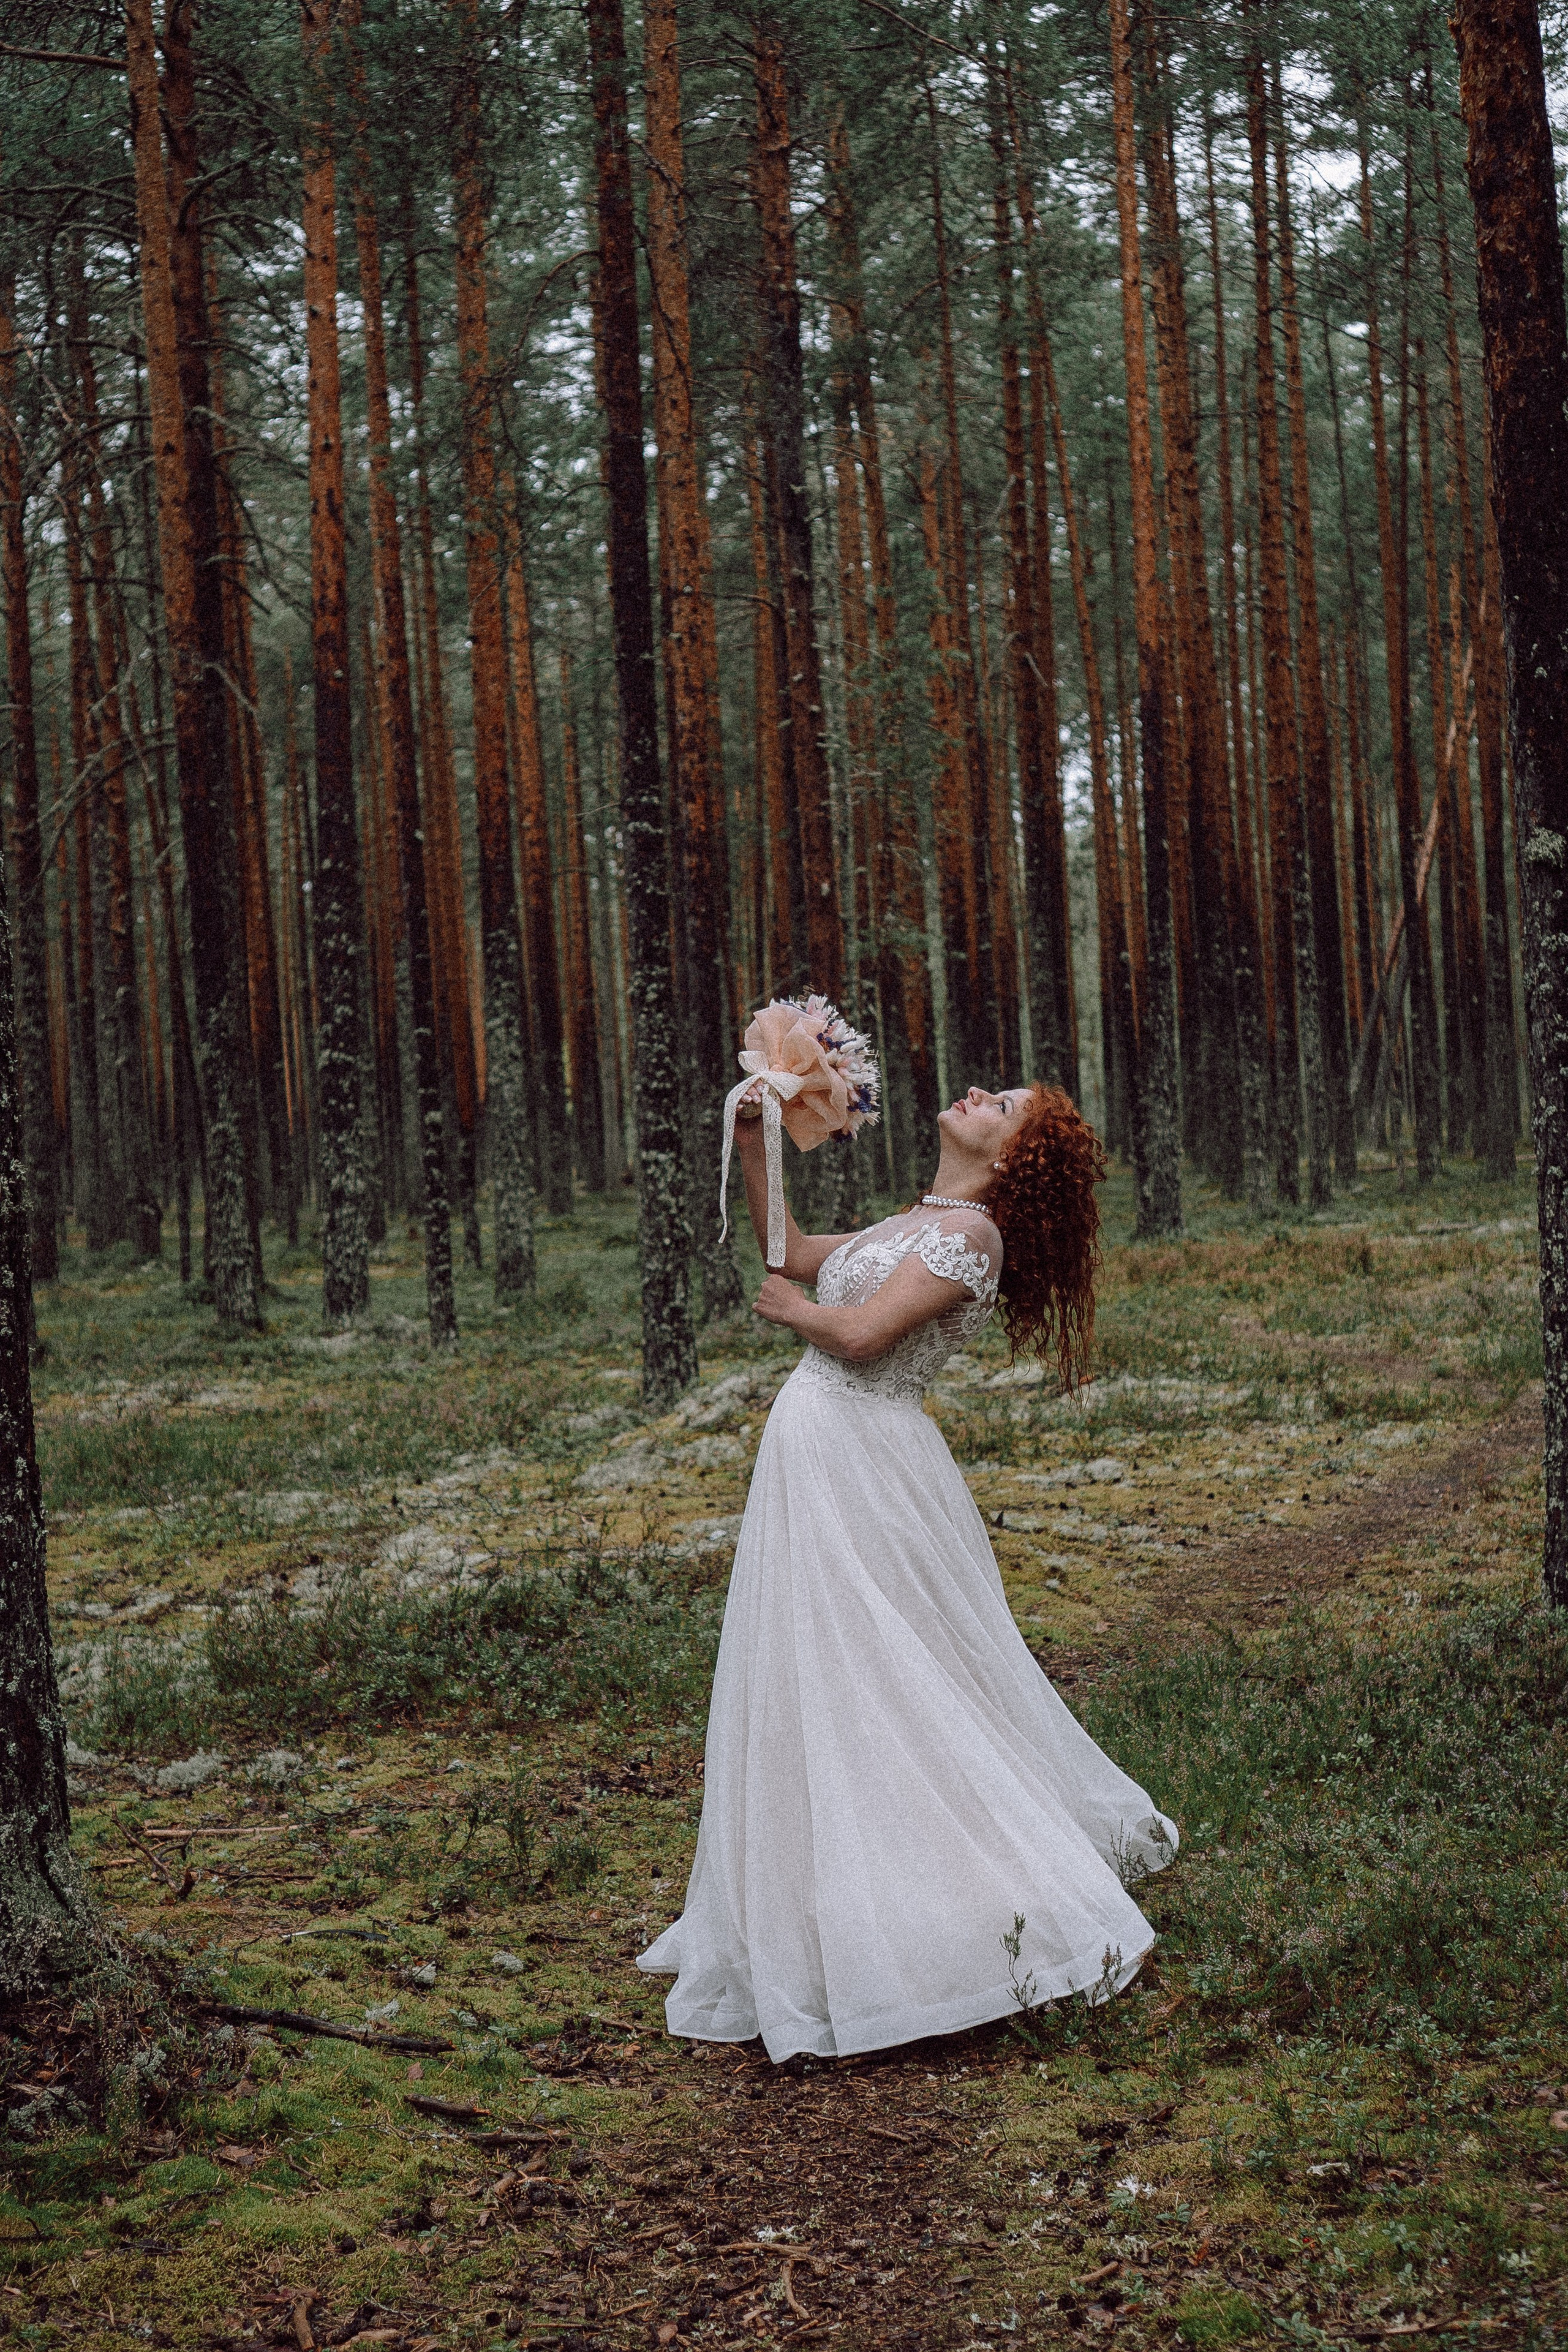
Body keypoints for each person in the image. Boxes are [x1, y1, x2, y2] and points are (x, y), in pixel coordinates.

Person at [638, 1082, 1177, 2062]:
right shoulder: (916, 1220)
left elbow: (861, 1336)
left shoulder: (973, 1237)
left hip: (867, 1462)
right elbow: (792, 1251)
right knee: (825, 1670)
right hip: (820, 1454)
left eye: (1001, 1104)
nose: (977, 1094)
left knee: (891, 1671)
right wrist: (758, 1142)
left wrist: (795, 1313)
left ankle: (949, 1906)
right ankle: (840, 1897)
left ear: (1011, 1156)